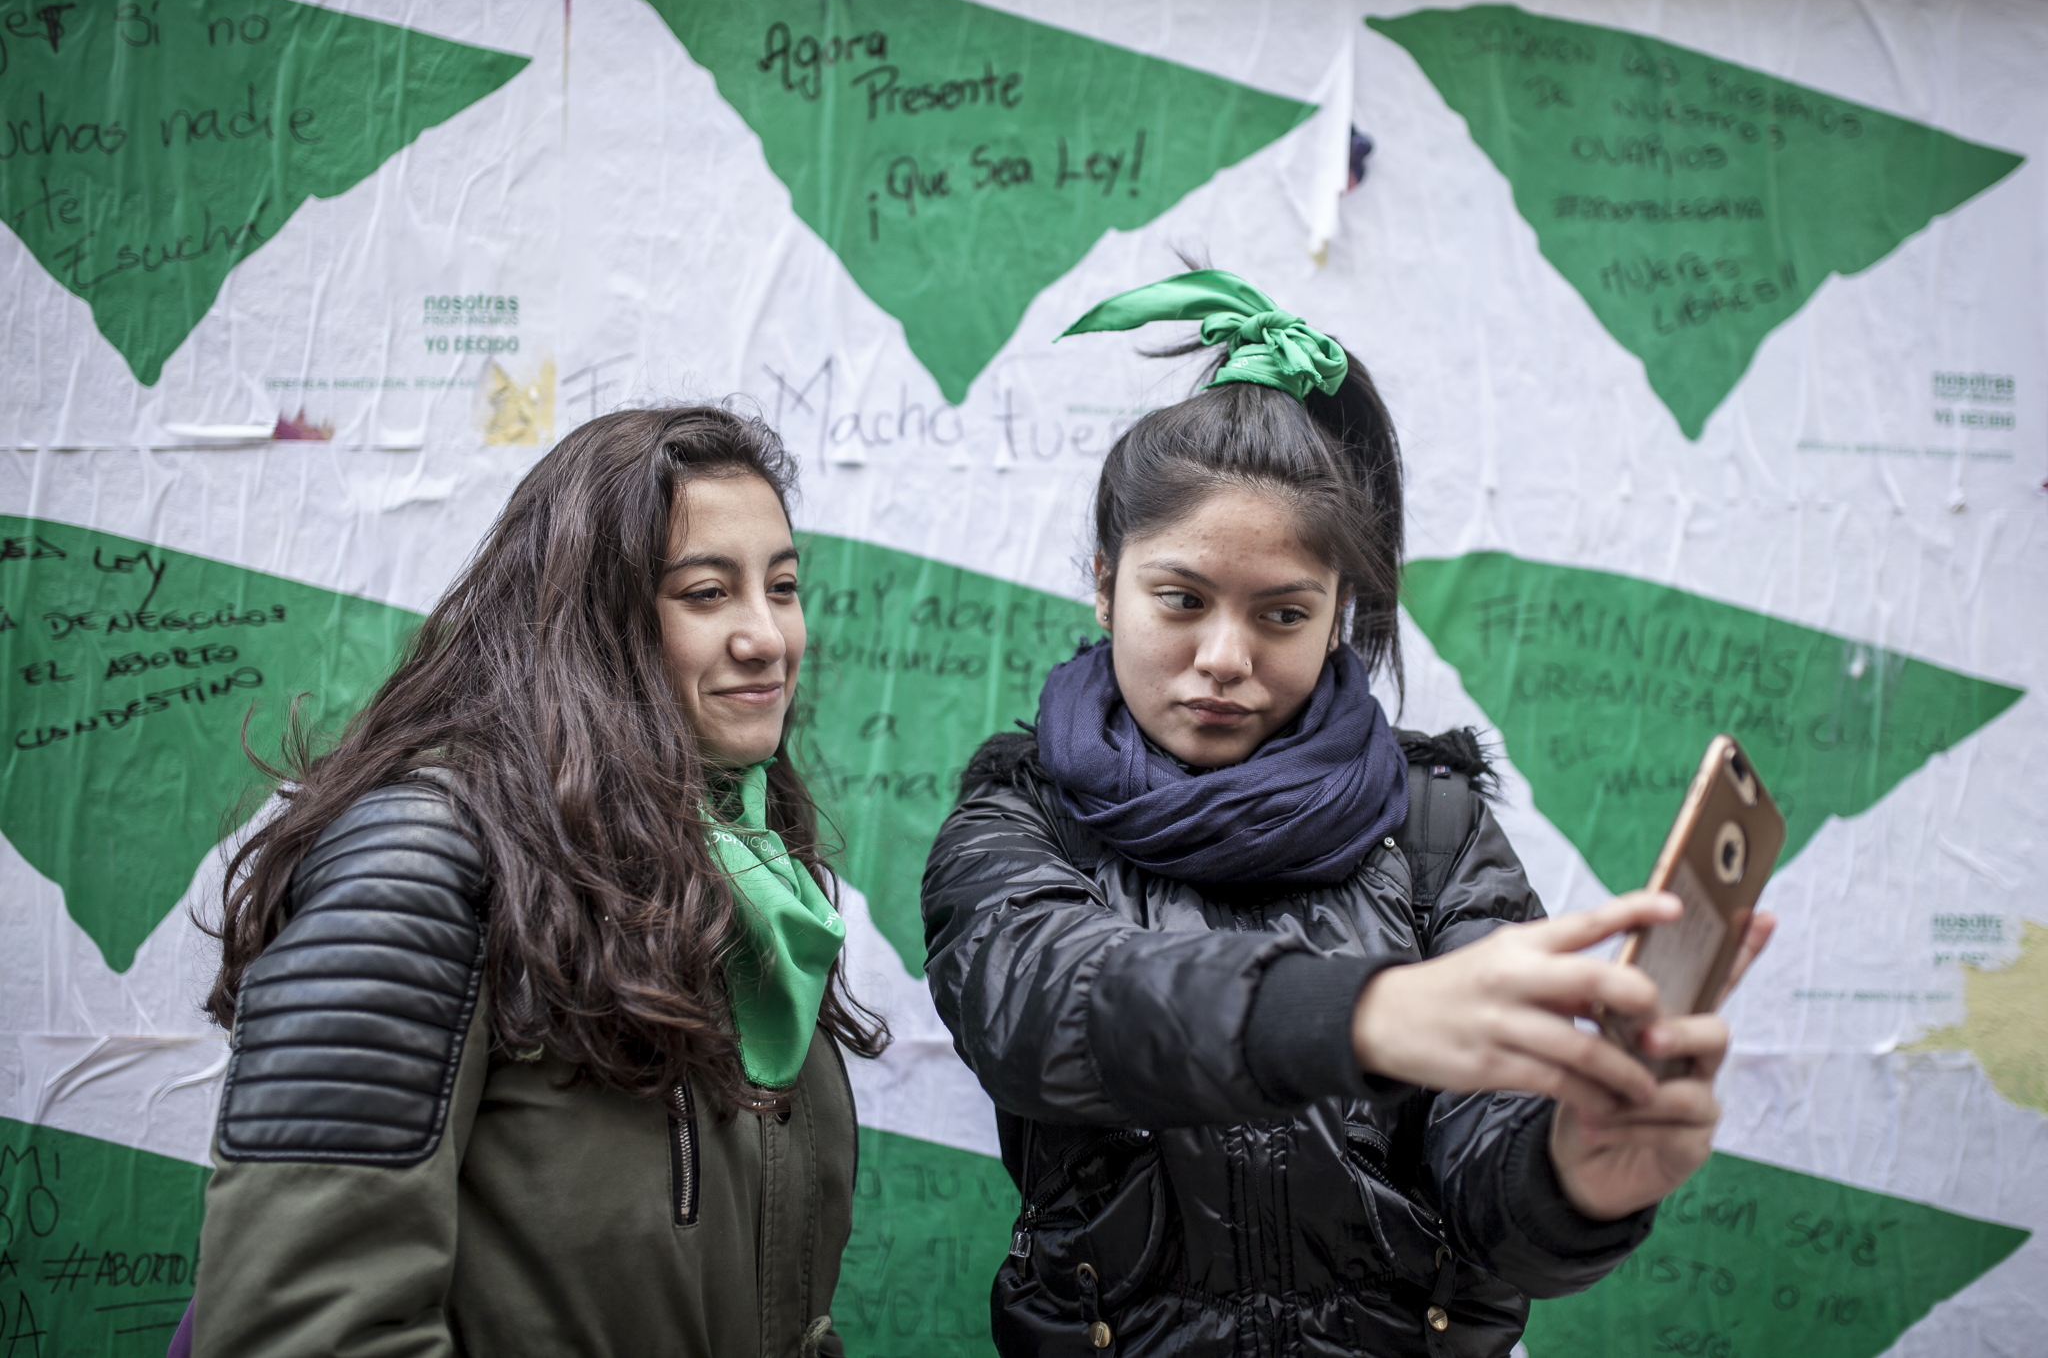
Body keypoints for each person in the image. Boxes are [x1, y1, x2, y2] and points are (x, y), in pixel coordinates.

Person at [921, 271, 1774, 1358]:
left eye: (1281, 613)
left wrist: (1571, 1180)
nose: (1223, 660)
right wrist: (1362, 1017)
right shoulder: (1018, 814)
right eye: (1178, 600)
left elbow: (1492, 1174)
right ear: (1103, 583)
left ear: (1337, 616)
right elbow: (1043, 1009)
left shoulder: (1435, 828)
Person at [189, 407, 886, 1358]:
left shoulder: (745, 862)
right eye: (707, 593)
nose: (767, 636)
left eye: (784, 586)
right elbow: (302, 1325)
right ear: (591, 619)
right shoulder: (421, 858)